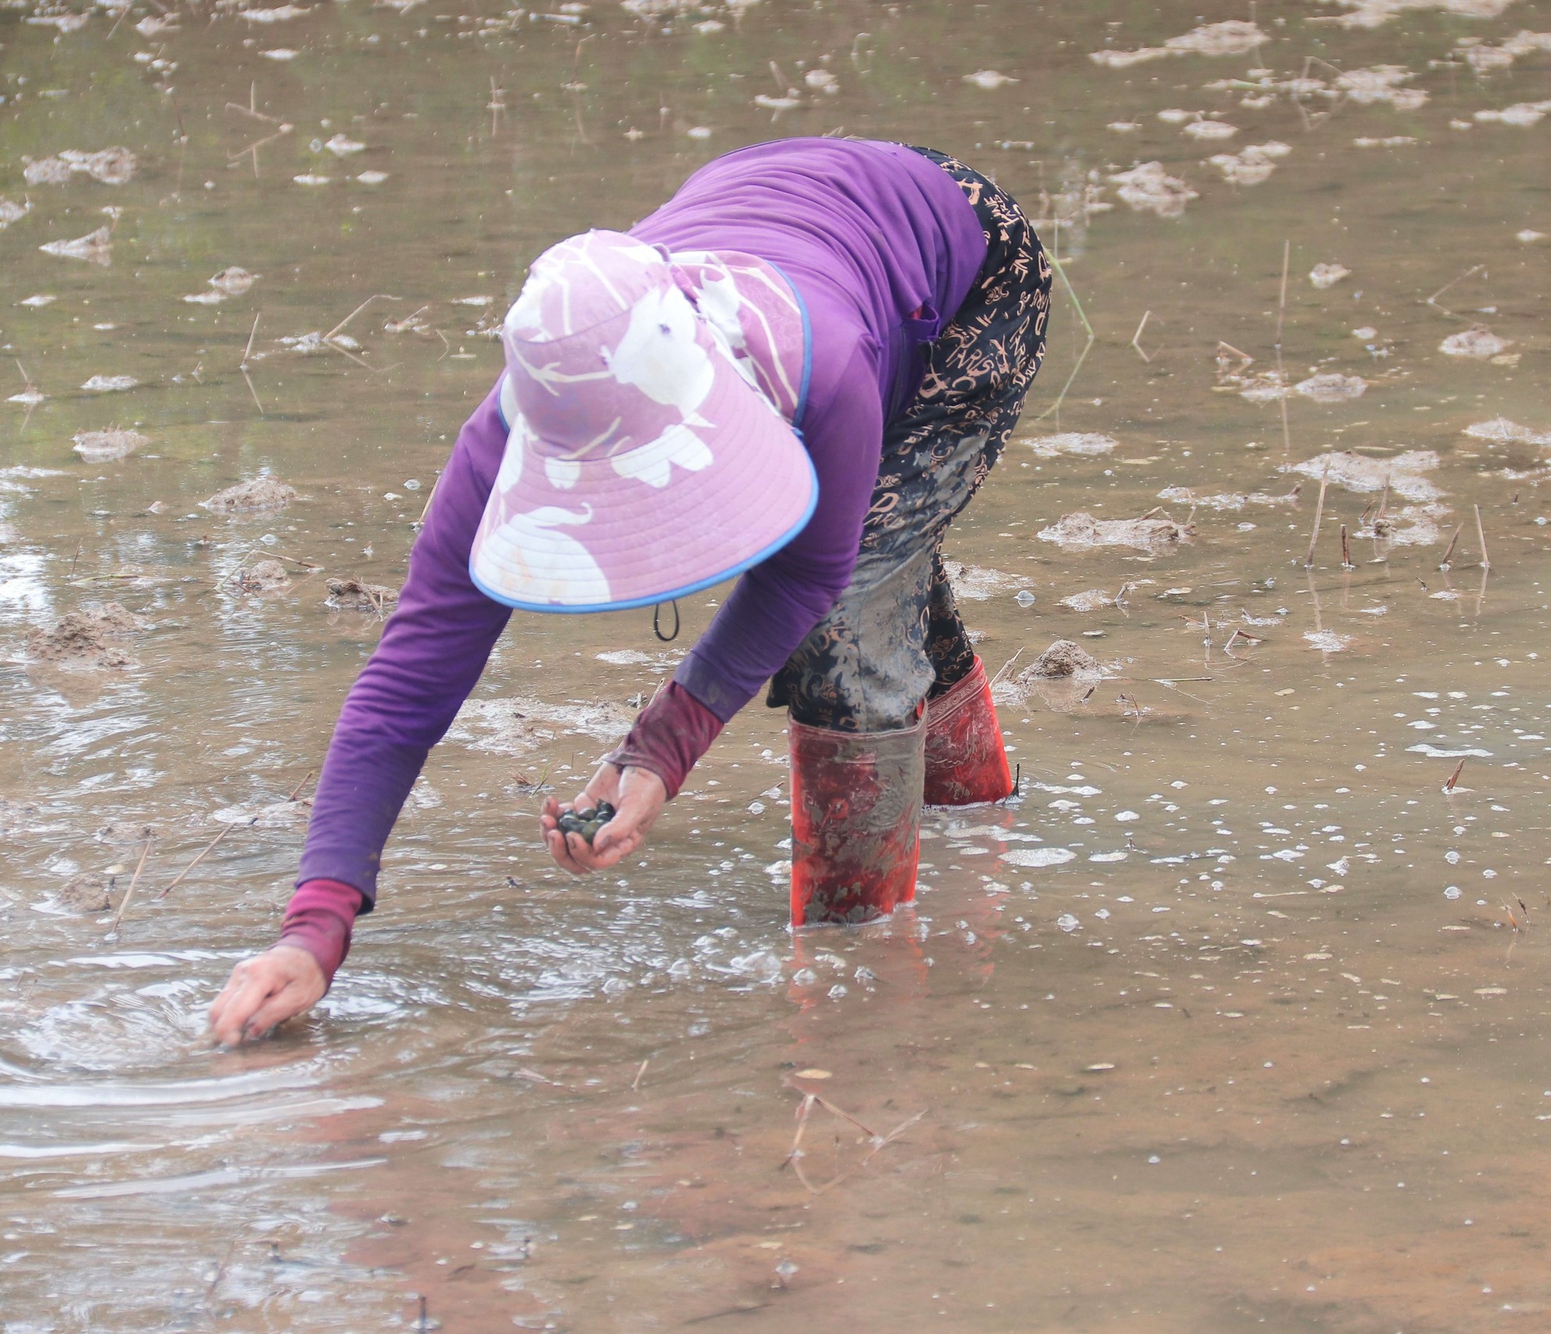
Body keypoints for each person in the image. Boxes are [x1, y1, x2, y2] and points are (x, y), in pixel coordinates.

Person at [206, 139, 1050, 1045]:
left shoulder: (824, 364)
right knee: (880, 549)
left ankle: (861, 982)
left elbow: (807, 572)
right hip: (810, 219)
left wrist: (664, 747)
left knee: (851, 605)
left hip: (969, 273)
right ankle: (974, 810)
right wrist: (313, 930)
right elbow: (408, 678)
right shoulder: (516, 419)